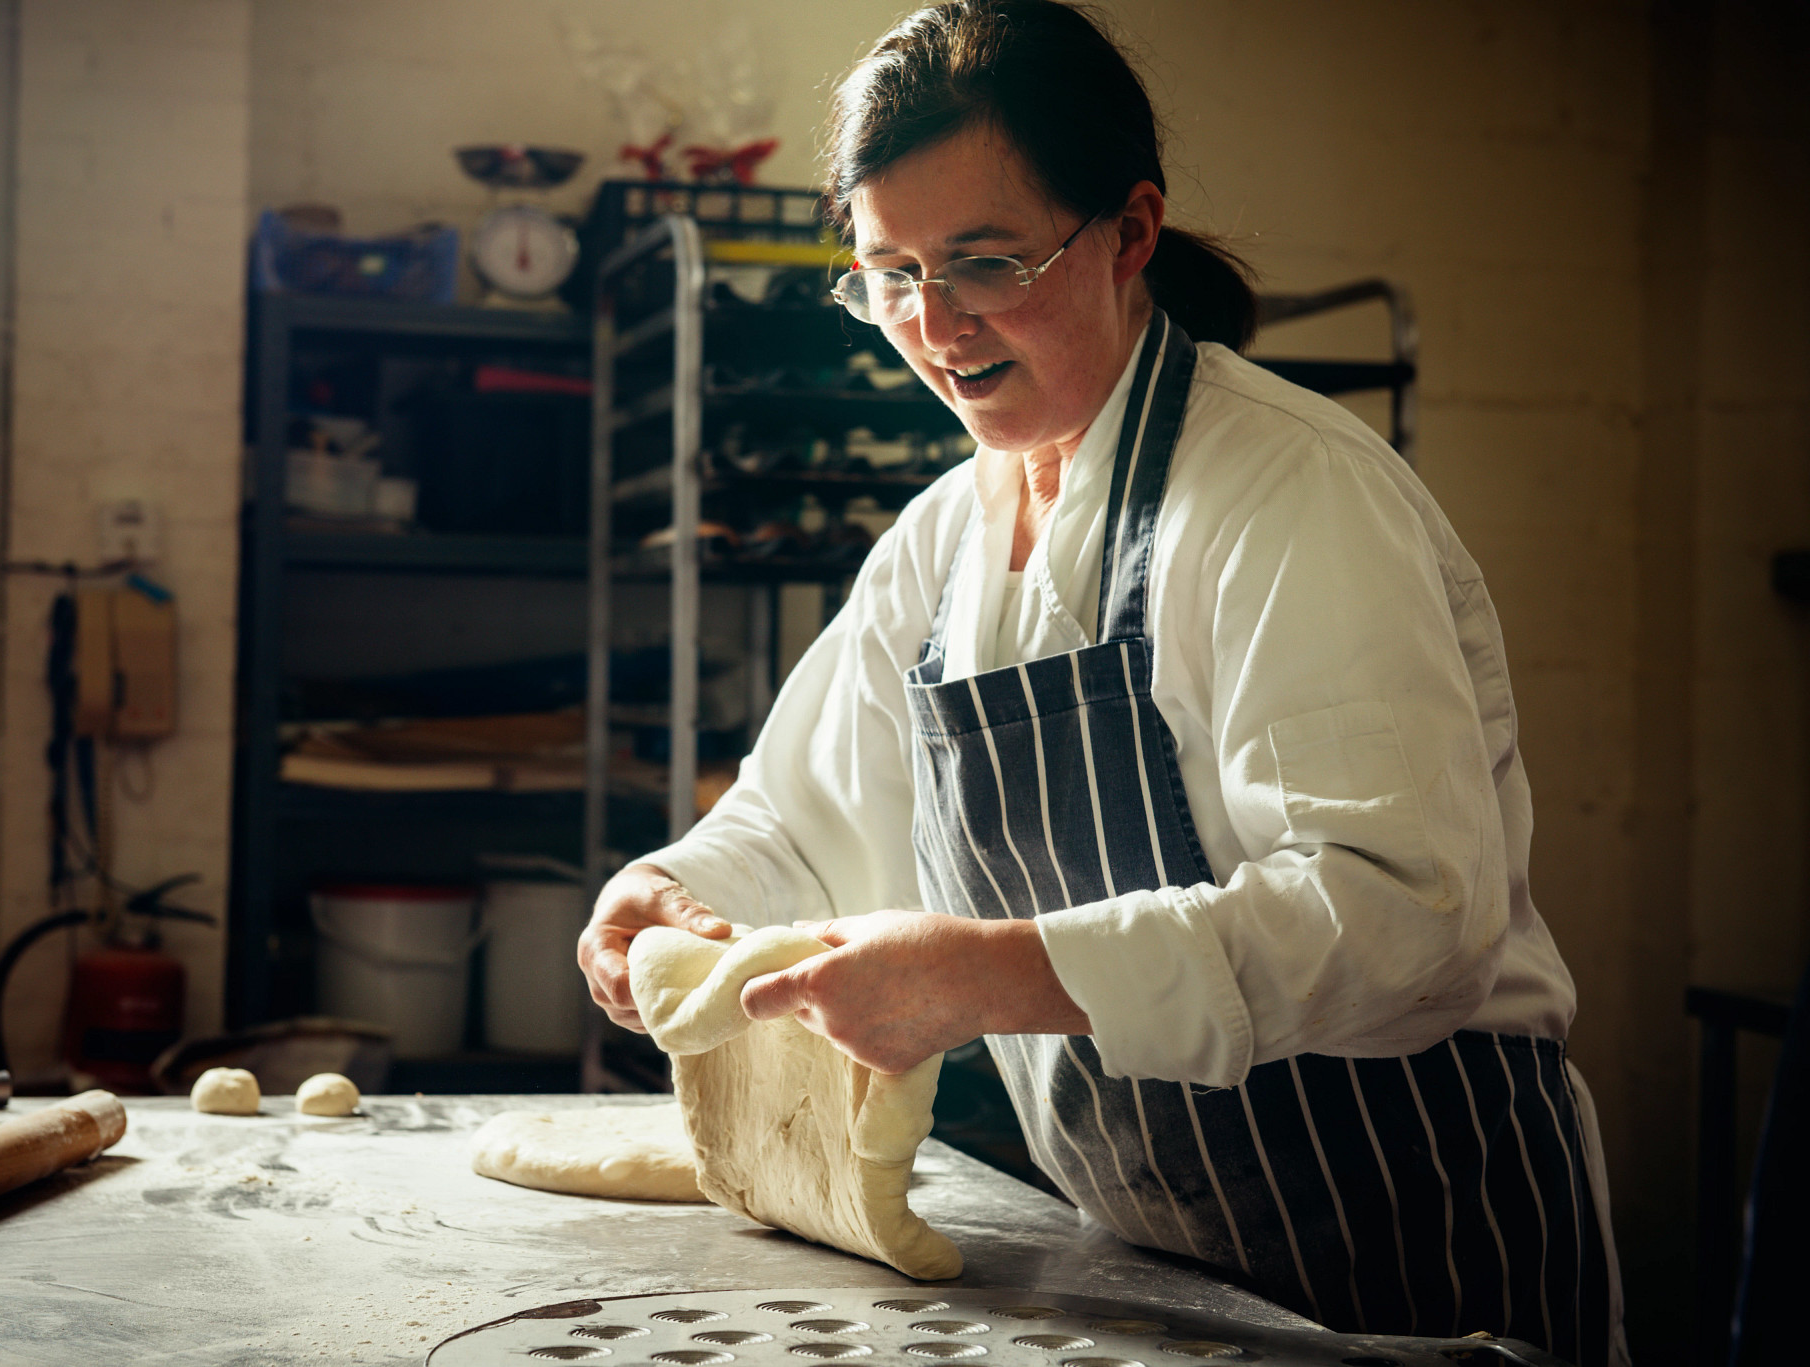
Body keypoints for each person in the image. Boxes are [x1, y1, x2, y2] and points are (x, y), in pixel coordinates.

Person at [577, 3, 1625, 1363]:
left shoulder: (1287, 495)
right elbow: (806, 818)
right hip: (1147, 1270)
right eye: (887, 273)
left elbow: (1407, 919)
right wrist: (680, 891)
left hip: (1418, 1253)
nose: (934, 326)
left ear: (1131, 232)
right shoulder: (942, 543)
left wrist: (996, 976)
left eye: (986, 263)